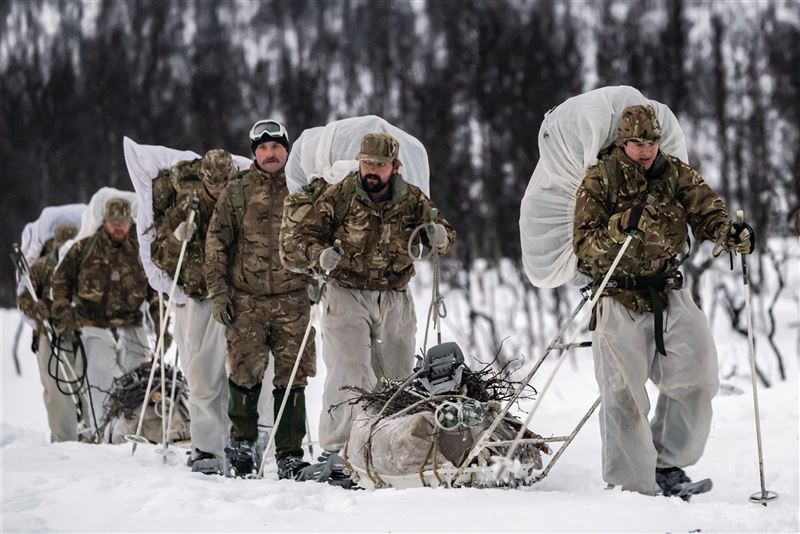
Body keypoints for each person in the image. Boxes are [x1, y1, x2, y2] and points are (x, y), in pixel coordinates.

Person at [572, 104, 754, 497]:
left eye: (652, 142)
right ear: (623, 142)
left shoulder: (673, 172)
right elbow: (583, 245)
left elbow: (707, 210)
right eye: (637, 143)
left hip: (667, 291)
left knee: (698, 376)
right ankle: (632, 486)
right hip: (618, 294)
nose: (646, 150)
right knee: (623, 395)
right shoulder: (600, 179)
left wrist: (729, 233)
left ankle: (666, 464)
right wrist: (619, 227)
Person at [292, 132, 456, 482]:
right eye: (367, 163)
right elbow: (303, 236)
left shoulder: (412, 198)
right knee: (348, 372)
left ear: (394, 167)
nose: (372, 170)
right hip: (347, 292)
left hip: (394, 295)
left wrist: (440, 237)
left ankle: (385, 447)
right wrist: (319, 255)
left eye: (380, 165)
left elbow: (441, 231)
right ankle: (338, 450)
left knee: (396, 375)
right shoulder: (340, 195)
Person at [205, 119, 315, 478]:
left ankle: (289, 453)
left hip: (293, 300)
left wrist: (317, 276)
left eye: (276, 147)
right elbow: (216, 243)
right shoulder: (237, 190)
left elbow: (320, 234)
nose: (270, 154)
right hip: (247, 301)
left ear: (287, 149)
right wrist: (219, 294)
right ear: (255, 153)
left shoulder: (302, 187)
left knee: (293, 376)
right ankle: (241, 445)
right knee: (244, 373)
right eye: (263, 148)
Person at [150, 149, 238, 473]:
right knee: (202, 376)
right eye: (212, 184)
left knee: (240, 377)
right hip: (199, 300)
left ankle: (237, 444)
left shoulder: (241, 203)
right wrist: (176, 239)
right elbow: (159, 254)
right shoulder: (187, 207)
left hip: (237, 298)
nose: (217, 190)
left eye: (223, 183)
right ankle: (206, 449)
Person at [51, 198, 158, 425]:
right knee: (101, 380)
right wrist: (63, 310)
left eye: (123, 222)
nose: (118, 227)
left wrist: (161, 328)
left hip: (131, 323)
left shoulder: (141, 251)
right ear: (105, 221)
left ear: (130, 222)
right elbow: (60, 282)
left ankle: (138, 427)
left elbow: (156, 290)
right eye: (113, 222)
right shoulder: (83, 249)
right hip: (92, 324)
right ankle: (101, 428)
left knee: (140, 379)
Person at [17, 223, 81, 442]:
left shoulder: (81, 263)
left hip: (77, 332)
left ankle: (87, 433)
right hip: (48, 332)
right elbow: (24, 298)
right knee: (56, 388)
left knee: (81, 383)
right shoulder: (42, 266)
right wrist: (35, 308)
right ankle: (63, 438)